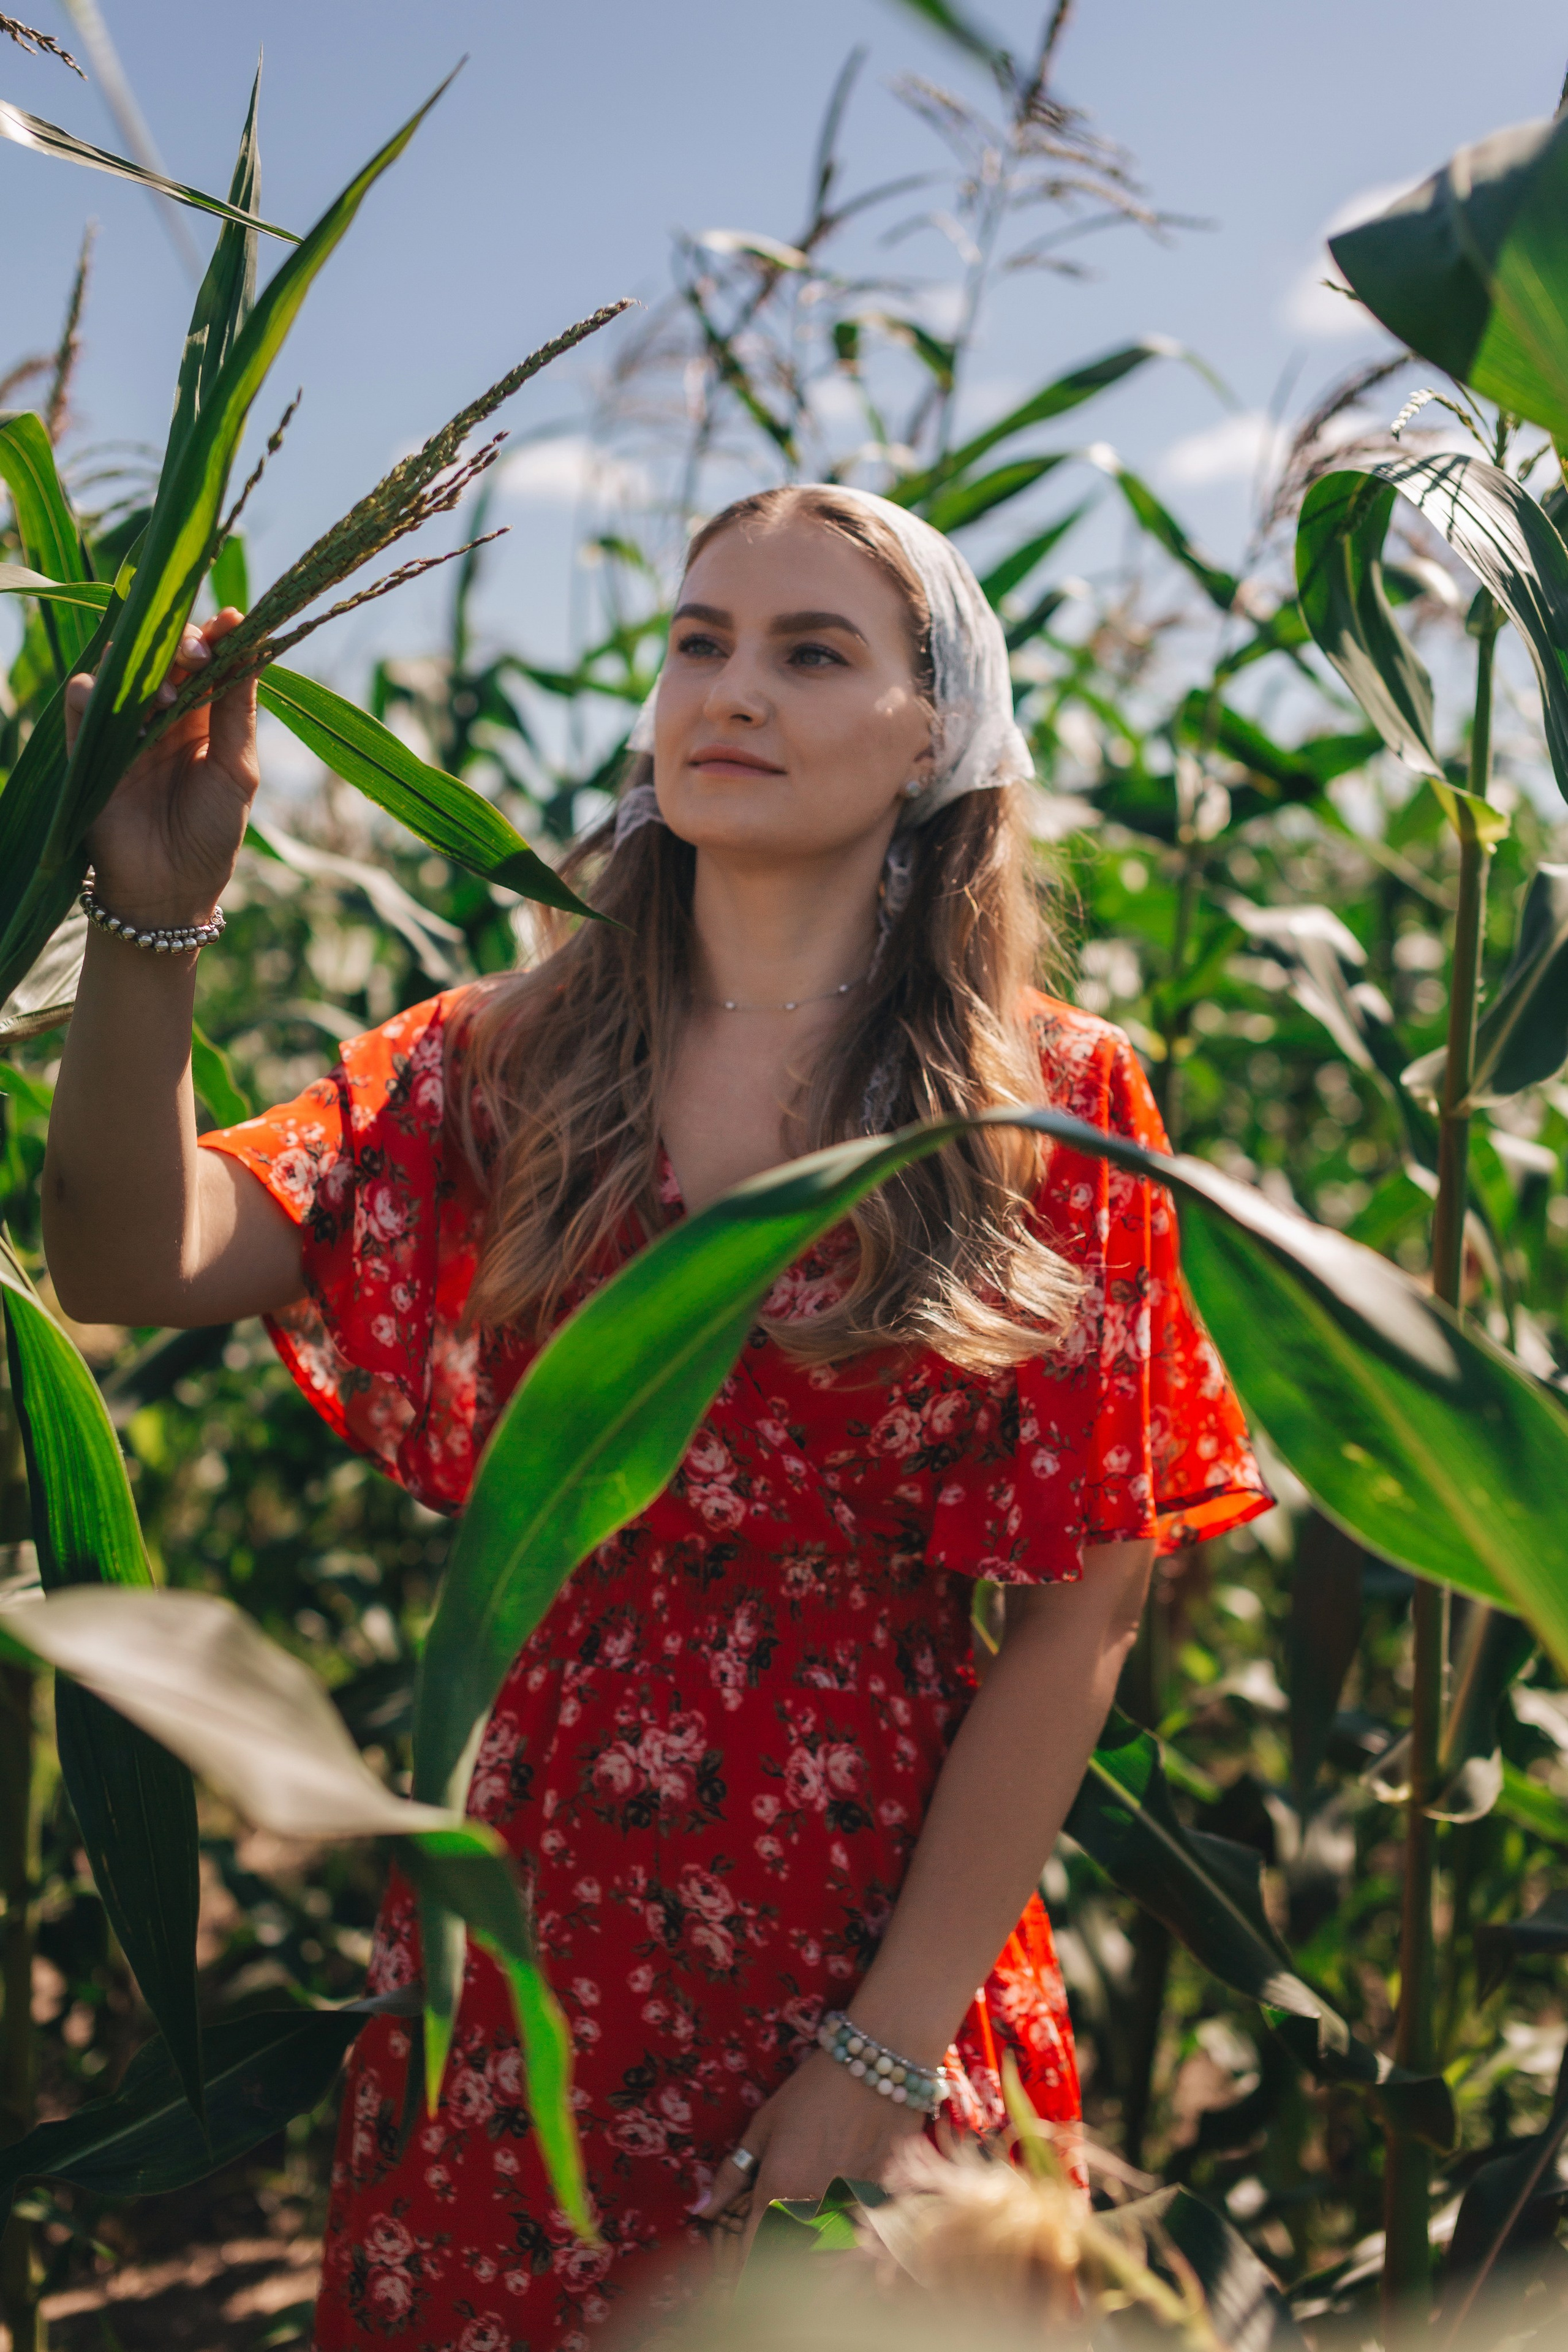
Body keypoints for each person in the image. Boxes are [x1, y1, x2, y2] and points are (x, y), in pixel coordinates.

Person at [44, 483, 1270, 2350]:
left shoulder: (1052, 1107)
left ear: (937, 729)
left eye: (810, 651)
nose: (732, 688)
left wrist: (882, 2051)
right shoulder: (504, 1061)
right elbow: (130, 1256)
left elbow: (1085, 1611)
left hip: (876, 1932)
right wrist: (154, 922)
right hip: (524, 1935)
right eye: (700, 640)